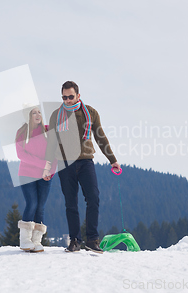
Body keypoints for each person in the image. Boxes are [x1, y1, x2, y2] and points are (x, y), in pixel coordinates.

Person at [43, 81, 120, 253]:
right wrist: (47, 167)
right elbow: (52, 143)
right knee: (71, 203)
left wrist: (112, 160)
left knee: (93, 198)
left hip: (85, 162)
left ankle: (92, 240)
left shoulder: (90, 113)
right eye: (64, 97)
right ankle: (75, 240)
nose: (68, 100)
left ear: (78, 95)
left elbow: (101, 137)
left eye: (71, 96)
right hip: (65, 163)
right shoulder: (56, 115)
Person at [15, 105, 56, 252]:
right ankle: (25, 240)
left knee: (40, 207)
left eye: (39, 112)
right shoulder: (22, 132)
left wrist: (50, 171)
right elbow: (21, 155)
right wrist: (43, 164)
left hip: (45, 175)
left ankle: (37, 241)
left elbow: (55, 152)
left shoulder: (47, 131)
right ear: (28, 116)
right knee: (31, 203)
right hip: (26, 173)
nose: (38, 115)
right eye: (34, 113)